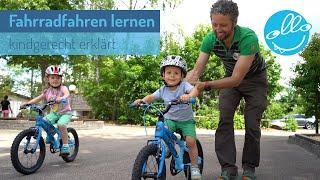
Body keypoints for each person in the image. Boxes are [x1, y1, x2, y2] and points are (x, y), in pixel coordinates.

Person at [185, 0, 268, 179]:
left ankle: (249, 168)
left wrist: (205, 85)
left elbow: (237, 79)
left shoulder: (248, 38)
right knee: (224, 119)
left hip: (254, 81)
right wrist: (180, 86)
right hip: (230, 79)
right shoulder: (210, 39)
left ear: (234, 23)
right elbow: (197, 70)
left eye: (223, 25)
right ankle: (228, 169)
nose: (218, 29)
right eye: (214, 24)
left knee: (252, 123)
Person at [133, 55, 202, 180]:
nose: (172, 75)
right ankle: (168, 147)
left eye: (176, 73)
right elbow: (151, 97)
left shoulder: (184, 86)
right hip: (170, 119)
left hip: (186, 121)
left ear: (182, 76)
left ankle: (194, 166)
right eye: (168, 72)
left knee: (191, 142)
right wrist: (142, 101)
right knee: (163, 131)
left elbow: (195, 90)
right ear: (163, 74)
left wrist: (189, 96)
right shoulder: (163, 90)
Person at [22, 65, 72, 157]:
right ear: (47, 79)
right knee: (44, 121)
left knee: (61, 124)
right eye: (52, 77)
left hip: (65, 113)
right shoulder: (47, 91)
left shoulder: (63, 88)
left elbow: (67, 94)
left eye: (58, 78)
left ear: (61, 79)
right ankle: (51, 135)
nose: (55, 80)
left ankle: (65, 145)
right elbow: (37, 99)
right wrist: (27, 104)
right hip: (54, 113)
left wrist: (62, 98)